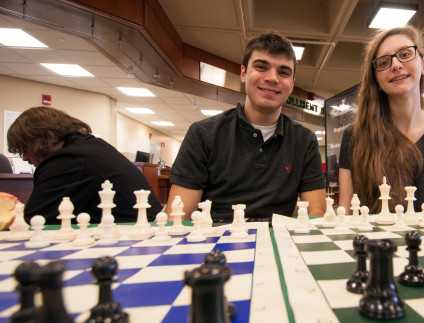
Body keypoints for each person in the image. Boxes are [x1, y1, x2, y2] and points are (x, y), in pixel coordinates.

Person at [166, 32, 327, 222]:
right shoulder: (202, 134)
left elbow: (317, 213)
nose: (273, 78)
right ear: (243, 73)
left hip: (280, 245)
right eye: (262, 67)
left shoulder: (304, 140)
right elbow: (177, 217)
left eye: (283, 72)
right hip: (216, 245)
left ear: (291, 85)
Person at [339, 26, 424, 214]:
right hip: (378, 243)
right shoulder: (355, 136)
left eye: (405, 54)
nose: (396, 65)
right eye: (383, 62)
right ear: (376, 80)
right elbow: (346, 211)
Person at [7, 106, 162, 224]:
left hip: (128, 241)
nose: (25, 157)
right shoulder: (90, 146)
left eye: (26, 147)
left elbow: (36, 220)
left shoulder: (69, 159)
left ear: (49, 136)